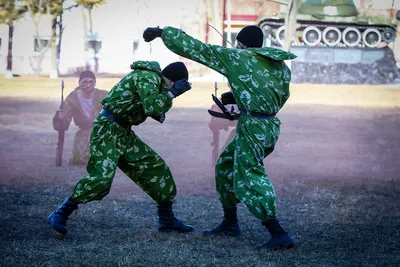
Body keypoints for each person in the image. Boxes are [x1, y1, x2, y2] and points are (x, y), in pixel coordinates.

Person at [143, 25, 297, 250]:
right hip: (267, 124)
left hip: (254, 127)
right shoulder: (280, 65)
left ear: (241, 45)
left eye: (237, 45)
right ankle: (230, 222)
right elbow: (280, 96)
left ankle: (278, 233)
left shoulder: (237, 57)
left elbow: (196, 48)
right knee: (225, 166)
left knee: (250, 174)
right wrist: (246, 106)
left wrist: (161, 32)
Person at [47, 61, 194, 236]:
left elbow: (142, 103)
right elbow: (152, 104)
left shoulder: (151, 79)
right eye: (175, 85)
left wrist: (158, 107)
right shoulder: (149, 77)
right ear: (172, 81)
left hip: (122, 131)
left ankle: (167, 219)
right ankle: (61, 213)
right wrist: (171, 94)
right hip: (107, 130)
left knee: (156, 167)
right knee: (102, 179)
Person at [53, 70, 108, 165]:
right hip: (83, 135)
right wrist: (59, 118)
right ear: (79, 83)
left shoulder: (103, 95)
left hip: (101, 134)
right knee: (79, 161)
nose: (88, 84)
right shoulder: (72, 98)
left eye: (91, 81)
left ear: (95, 83)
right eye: (84, 82)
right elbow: (63, 124)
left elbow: (117, 109)